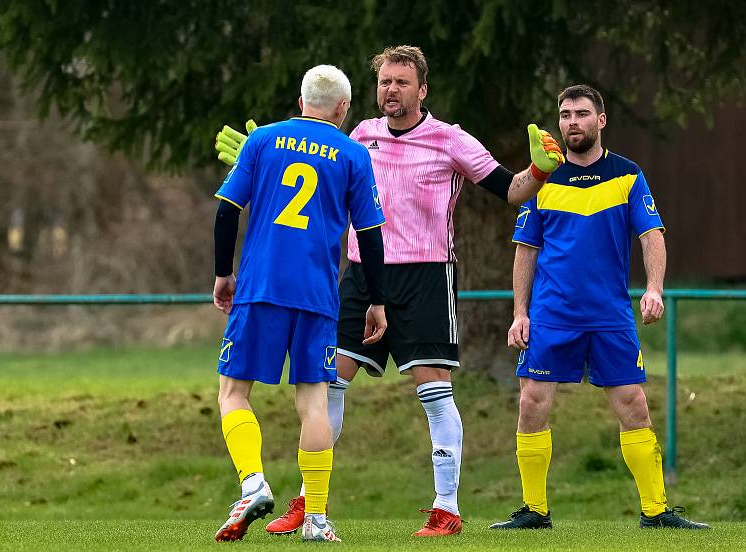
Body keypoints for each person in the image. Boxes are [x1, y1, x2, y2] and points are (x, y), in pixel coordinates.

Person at [215, 45, 564, 537]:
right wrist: (271, 156)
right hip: (362, 275)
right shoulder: (360, 136)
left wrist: (539, 172)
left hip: (425, 274)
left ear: (422, 90)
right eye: (384, 83)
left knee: (433, 389)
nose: (391, 90)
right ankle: (310, 504)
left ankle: (447, 507)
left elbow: (512, 191)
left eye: (401, 82)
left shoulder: (450, 139)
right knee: (326, 381)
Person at [490, 84, 709, 530]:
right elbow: (525, 250)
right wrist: (520, 313)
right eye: (566, 114)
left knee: (634, 406)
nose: (573, 122)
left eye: (582, 114)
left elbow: (652, 236)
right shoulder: (542, 180)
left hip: (610, 315)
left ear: (600, 121)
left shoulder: (628, 175)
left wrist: (654, 288)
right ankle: (534, 511)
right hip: (552, 316)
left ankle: (656, 511)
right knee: (531, 403)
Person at [212, 64, 388, 543]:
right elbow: (371, 236)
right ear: (343, 109)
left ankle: (252, 482)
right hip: (317, 296)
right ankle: (316, 518)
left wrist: (223, 274)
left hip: (261, 288)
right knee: (312, 402)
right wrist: (377, 300)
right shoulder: (353, 154)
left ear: (300, 100)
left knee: (233, 392)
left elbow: (227, 211)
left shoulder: (263, 140)